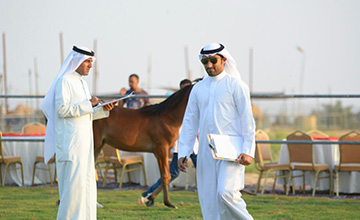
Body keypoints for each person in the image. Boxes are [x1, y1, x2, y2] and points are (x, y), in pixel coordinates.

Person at [178, 43, 256, 220]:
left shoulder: (236, 85)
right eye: (205, 61)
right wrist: (184, 151)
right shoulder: (198, 88)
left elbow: (247, 120)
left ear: (224, 59)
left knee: (226, 194)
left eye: (213, 60)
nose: (209, 65)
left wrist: (248, 150)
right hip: (206, 151)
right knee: (209, 199)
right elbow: (190, 121)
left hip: (232, 150)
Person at [41, 46, 115, 220]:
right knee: (72, 195)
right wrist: (89, 104)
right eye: (87, 61)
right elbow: (61, 110)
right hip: (71, 147)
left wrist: (102, 109)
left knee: (85, 191)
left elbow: (84, 113)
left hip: (84, 147)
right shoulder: (64, 81)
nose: (90, 65)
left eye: (91, 62)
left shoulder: (82, 82)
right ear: (77, 61)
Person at [138, 79, 198, 207]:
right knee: (173, 173)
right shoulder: (176, 106)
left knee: (199, 168)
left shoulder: (193, 104)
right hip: (181, 145)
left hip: (194, 144)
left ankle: (151, 195)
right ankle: (149, 194)